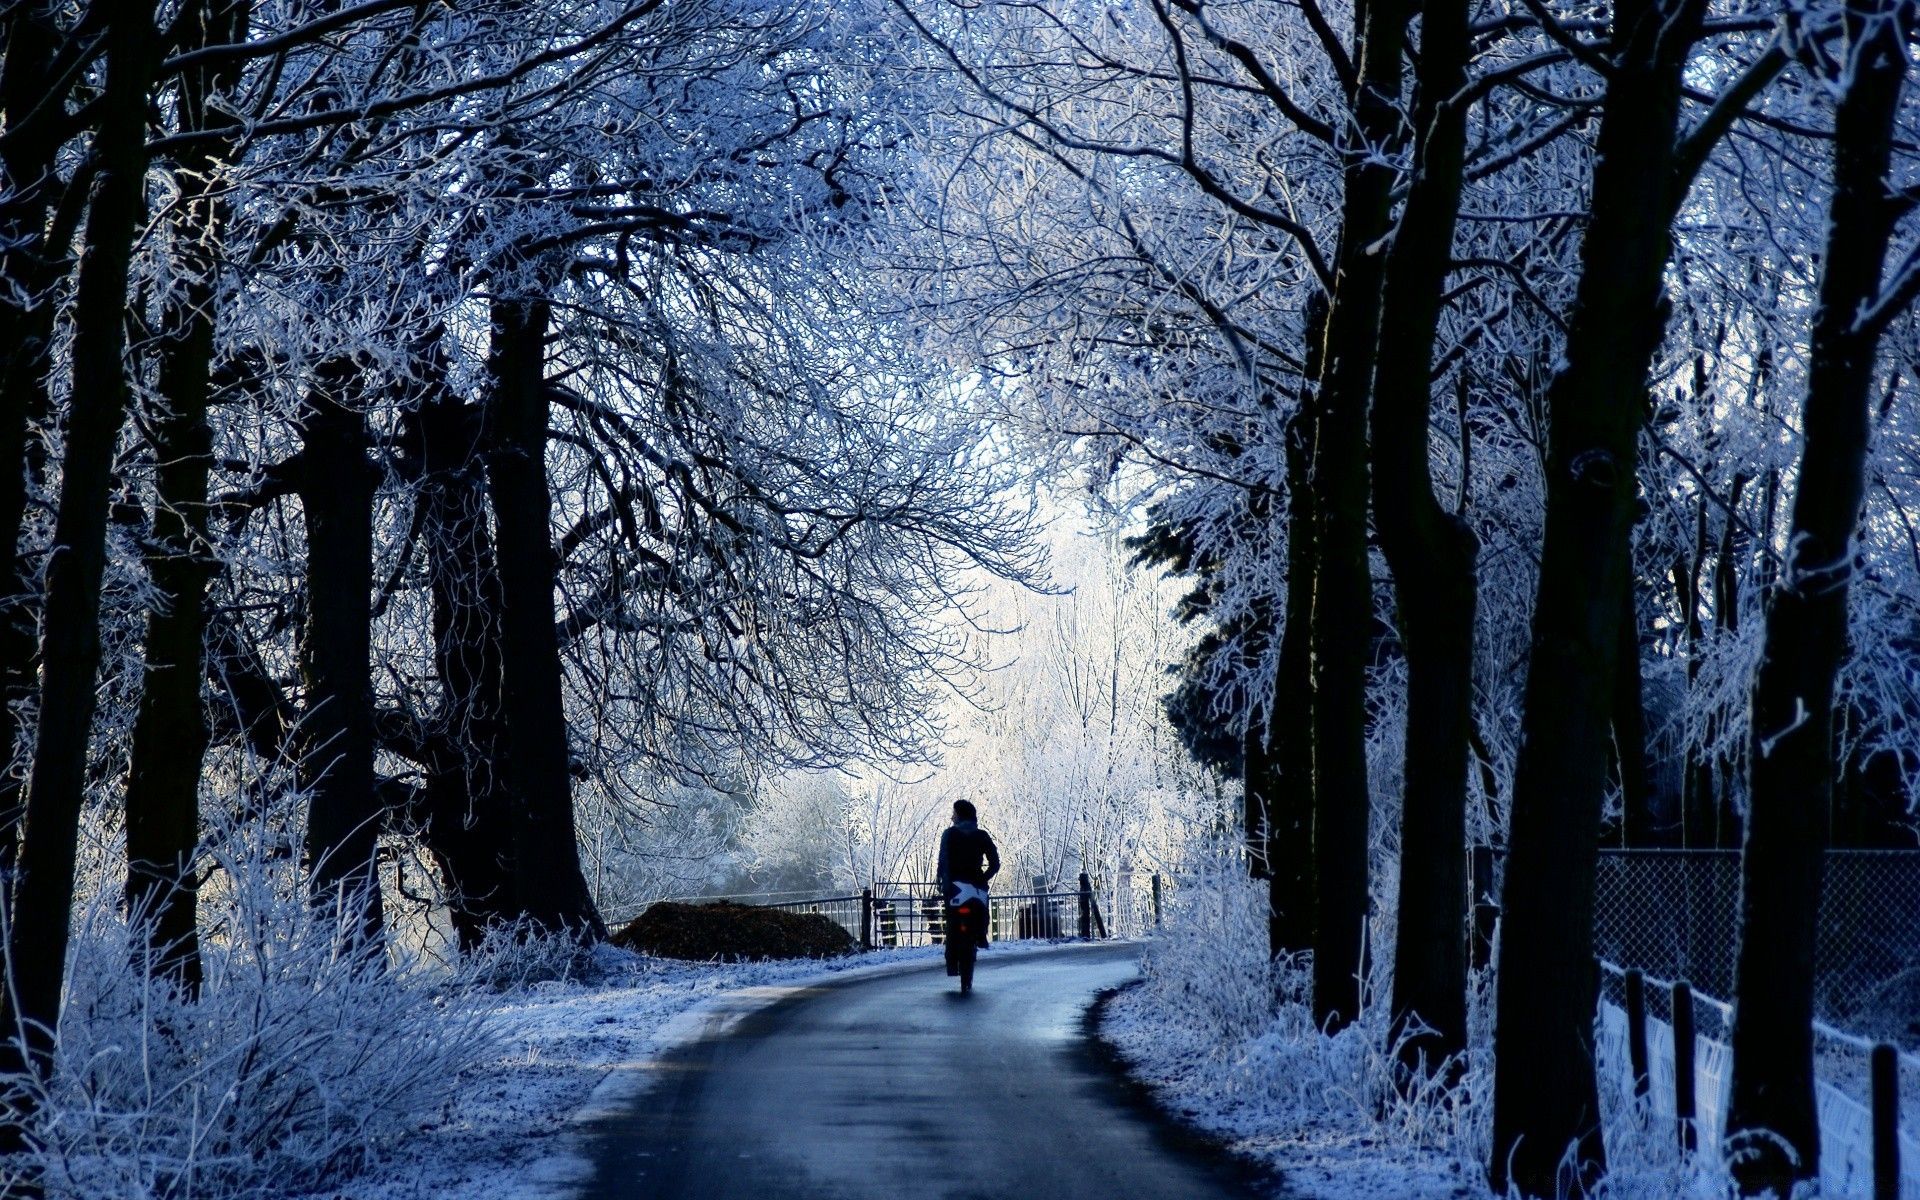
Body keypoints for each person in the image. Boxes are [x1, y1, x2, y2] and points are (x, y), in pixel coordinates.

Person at [936, 799, 999, 950]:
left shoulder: (949, 835)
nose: (952, 817)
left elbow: (943, 861)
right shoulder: (982, 836)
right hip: (977, 885)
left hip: (954, 886)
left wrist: (942, 883)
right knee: (981, 912)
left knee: (952, 920)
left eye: (954, 814)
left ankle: (952, 955)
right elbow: (995, 863)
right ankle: (981, 936)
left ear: (959, 816)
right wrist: (983, 878)